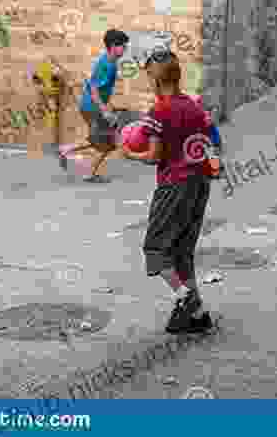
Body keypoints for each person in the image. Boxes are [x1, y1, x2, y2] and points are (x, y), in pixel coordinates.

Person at [121, 51, 214, 334]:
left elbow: (153, 156)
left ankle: (185, 300)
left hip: (174, 185)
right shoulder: (194, 106)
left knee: (156, 250)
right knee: (182, 253)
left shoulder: (159, 111)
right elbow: (206, 144)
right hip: (200, 183)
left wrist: (127, 153)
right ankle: (198, 315)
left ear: (154, 78)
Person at [60, 29, 130, 182]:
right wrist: (104, 110)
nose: (125, 49)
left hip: (92, 105)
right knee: (107, 142)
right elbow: (94, 88)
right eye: (123, 46)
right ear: (113, 46)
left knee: (100, 138)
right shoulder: (107, 64)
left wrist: (108, 106)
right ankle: (88, 173)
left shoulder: (109, 61)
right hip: (93, 106)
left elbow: (101, 88)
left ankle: (67, 150)